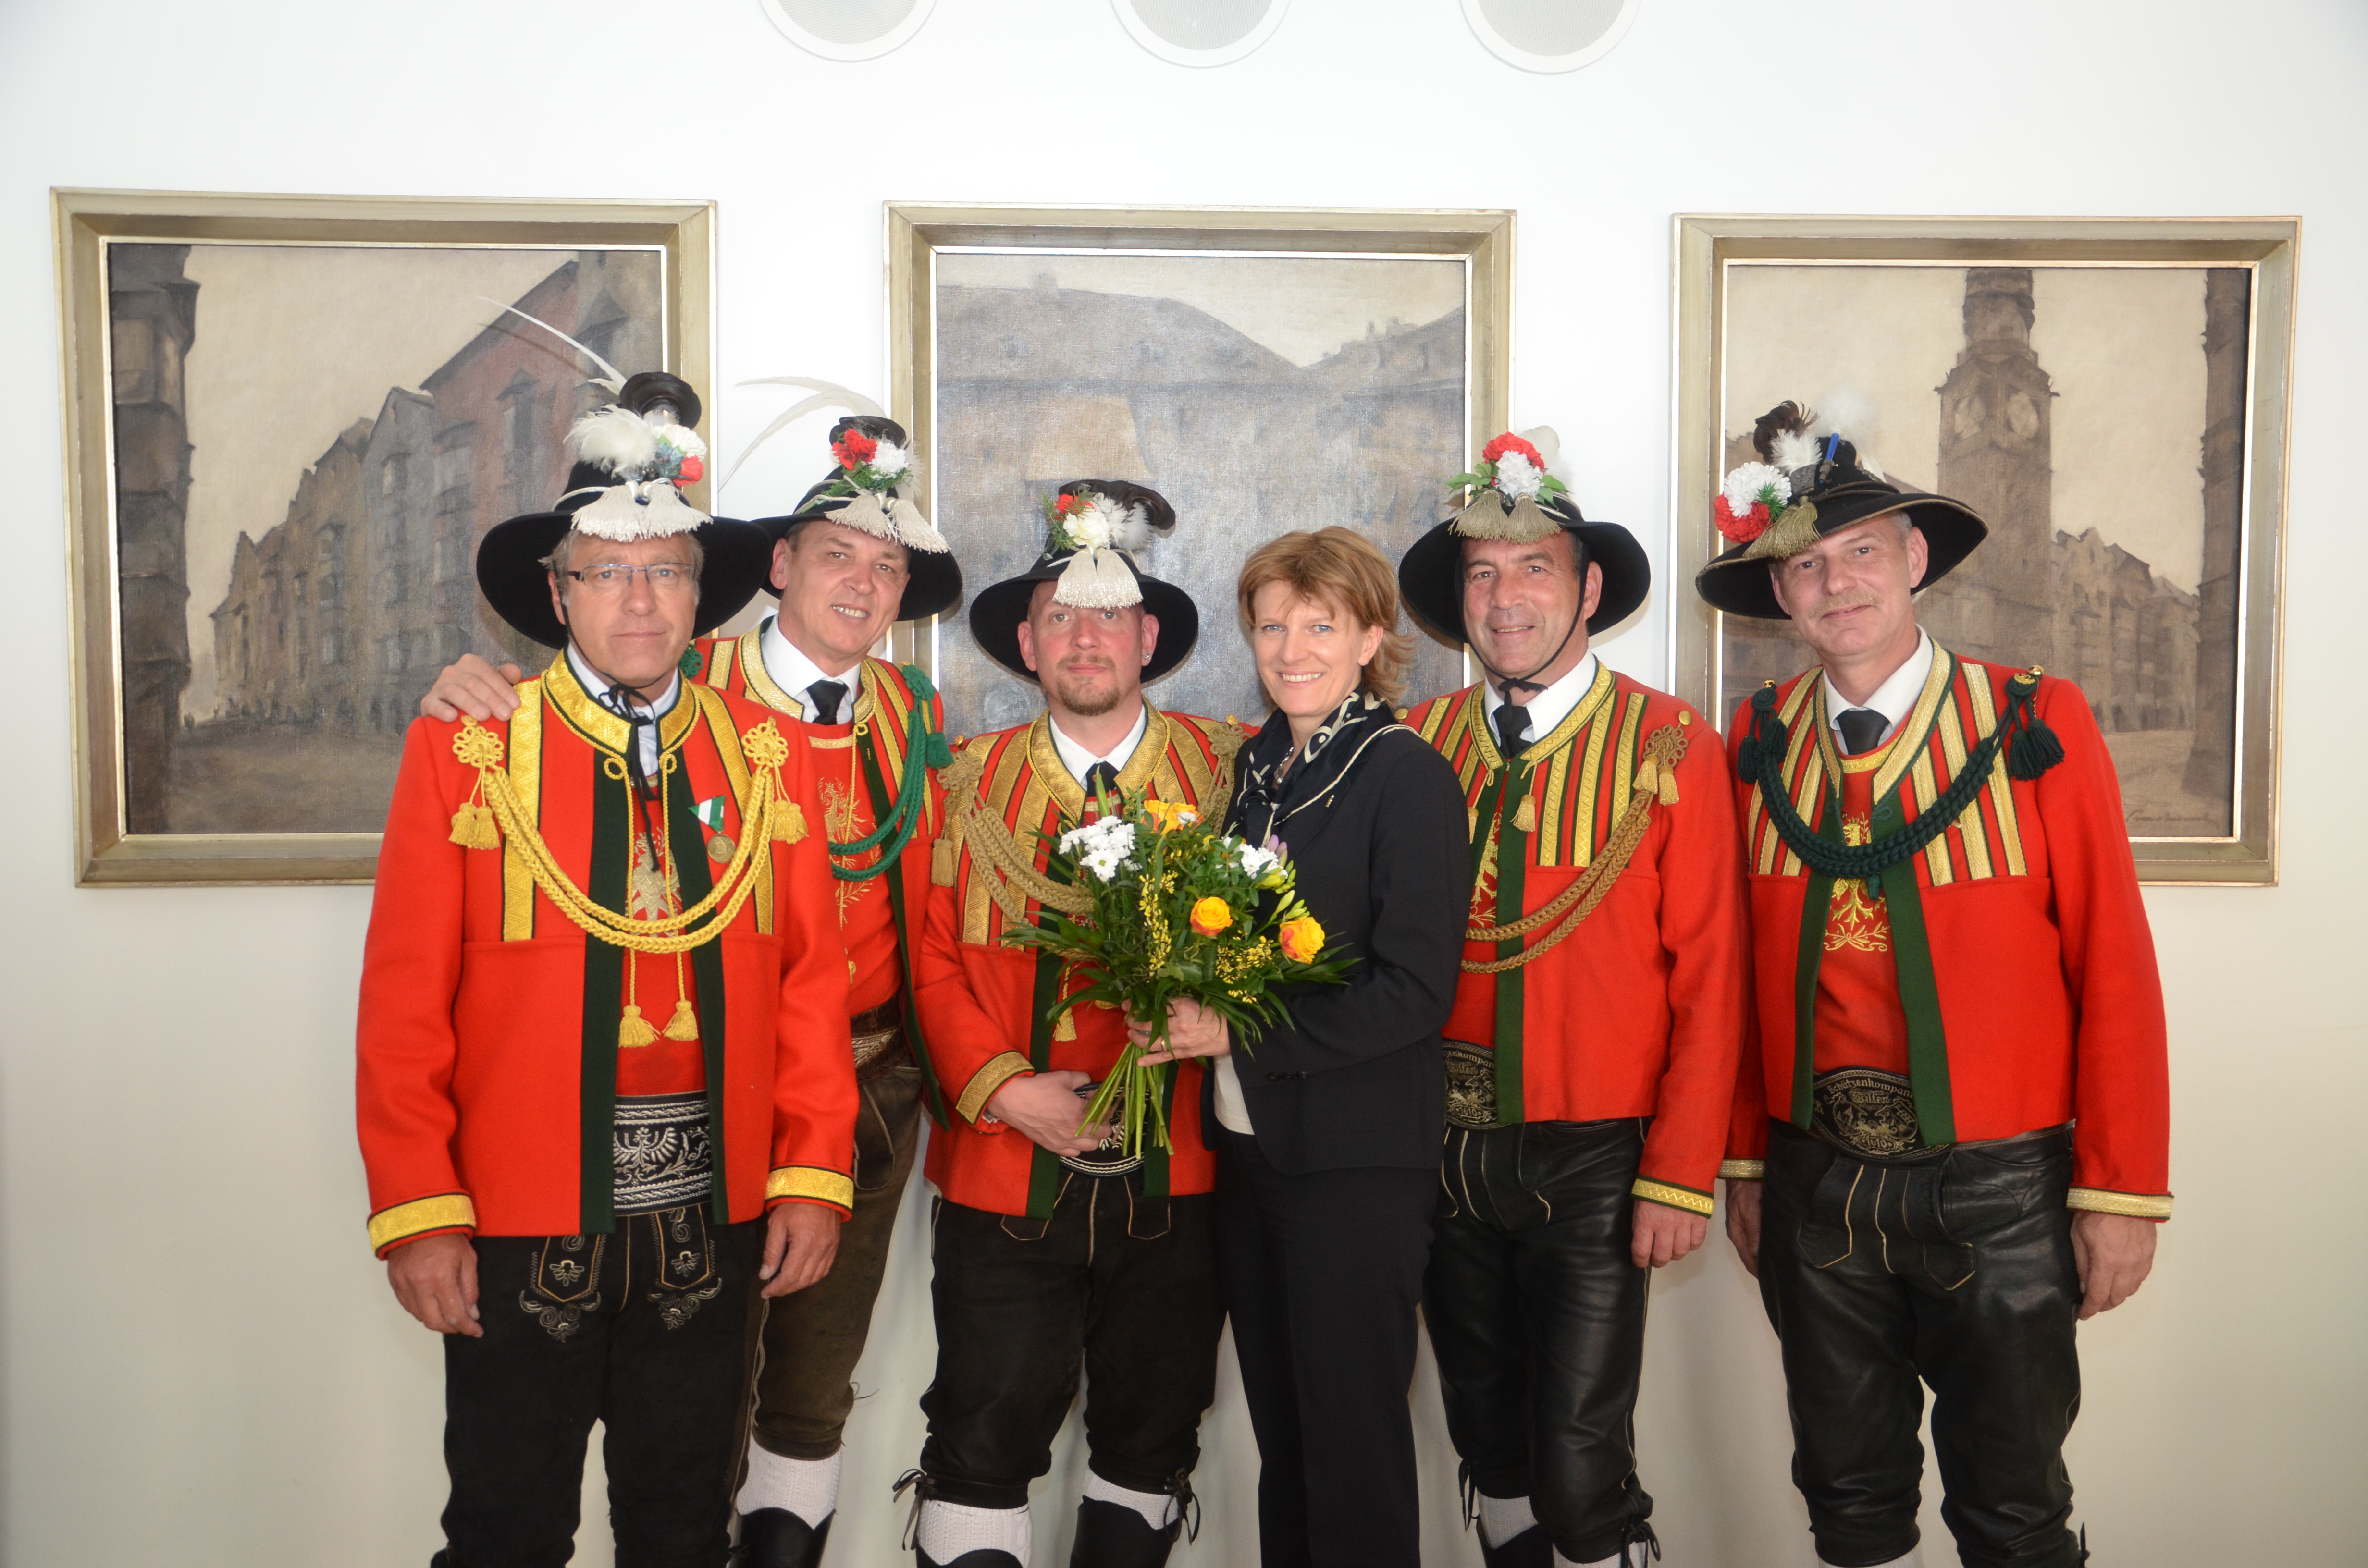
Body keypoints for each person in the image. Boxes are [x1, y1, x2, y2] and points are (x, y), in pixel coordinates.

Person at [424, 409, 962, 1568]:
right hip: (529, 1209)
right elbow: (406, 1005)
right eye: (608, 573)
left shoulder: (782, 746)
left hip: (724, 1195)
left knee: (683, 1522)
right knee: (506, 1526)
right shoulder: (474, 745)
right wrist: (421, 1210)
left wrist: (816, 1172)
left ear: (697, 587)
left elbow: (811, 986)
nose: (638, 600)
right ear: (557, 591)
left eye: (664, 572)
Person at [1700, 401, 2172, 1568]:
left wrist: (2119, 1190)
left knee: (2012, 1514)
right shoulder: (1752, 744)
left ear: (1914, 562)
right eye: (1803, 565)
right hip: (1813, 1189)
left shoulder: (2034, 722)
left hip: (2000, 1189)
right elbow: (1742, 980)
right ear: (1779, 594)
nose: (1835, 584)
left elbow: (2111, 962)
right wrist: (1749, 1162)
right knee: (1849, 1505)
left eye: (1862, 551)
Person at [1389, 431, 1751, 1568]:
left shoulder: (1668, 742)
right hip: (1439, 1150)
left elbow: (1713, 977)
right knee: (1486, 1438)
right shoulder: (1416, 744)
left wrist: (1682, 1169)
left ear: (1589, 586)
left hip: (1596, 1157)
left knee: (1581, 1455)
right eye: (1482, 574)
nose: (1506, 598)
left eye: (1533, 567)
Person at [906, 481, 1245, 1568]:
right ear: (1026, 638)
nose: (1085, 637)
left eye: (1109, 615)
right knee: (979, 1435)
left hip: (1180, 1182)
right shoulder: (962, 784)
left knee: (1154, 1436)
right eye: (1062, 616)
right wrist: (1005, 1089)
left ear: (1149, 635)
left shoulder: (1234, 771)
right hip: (1004, 1177)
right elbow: (929, 959)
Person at [1140, 527, 1468, 1568]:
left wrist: (1232, 1027)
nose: (1291, 648)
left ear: (1372, 635)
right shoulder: (1257, 766)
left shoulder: (1403, 774)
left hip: (1357, 1166)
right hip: (1254, 1152)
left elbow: (1415, 993)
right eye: (1272, 624)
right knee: (1286, 1443)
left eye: (1319, 625)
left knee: (1352, 1449)